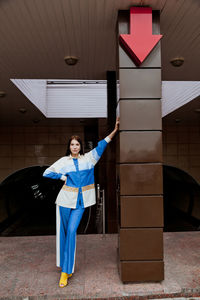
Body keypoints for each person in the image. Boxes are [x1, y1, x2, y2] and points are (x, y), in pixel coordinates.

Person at [43, 117, 119, 287]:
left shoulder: (89, 159)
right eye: (72, 145)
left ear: (80, 146)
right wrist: (61, 176)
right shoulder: (64, 161)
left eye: (77, 144)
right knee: (62, 233)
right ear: (69, 147)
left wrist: (114, 130)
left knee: (71, 231)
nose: (75, 147)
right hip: (64, 201)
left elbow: (102, 144)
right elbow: (46, 173)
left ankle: (65, 271)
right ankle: (65, 267)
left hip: (80, 203)